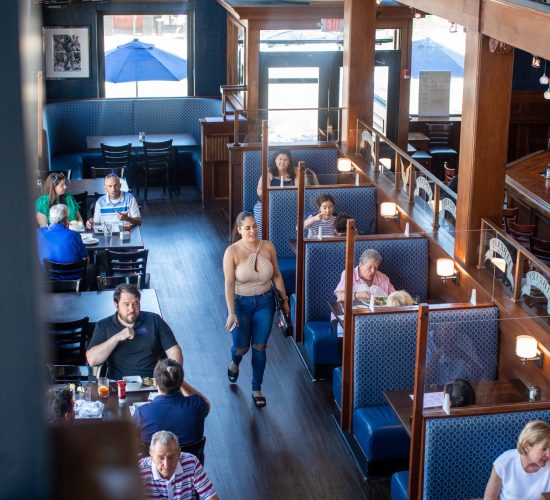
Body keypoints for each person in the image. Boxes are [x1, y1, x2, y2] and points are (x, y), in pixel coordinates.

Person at [223, 211, 289, 408]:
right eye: (248, 227)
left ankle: (256, 388)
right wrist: (231, 312)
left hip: (265, 302)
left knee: (260, 346)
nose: (253, 230)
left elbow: (276, 275)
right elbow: (229, 283)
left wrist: (284, 300)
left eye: (255, 226)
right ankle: (235, 363)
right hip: (241, 304)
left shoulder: (268, 246)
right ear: (239, 230)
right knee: (241, 347)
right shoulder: (232, 252)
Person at [86, 284, 183, 380]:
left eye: (135, 303)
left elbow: (173, 350)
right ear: (116, 305)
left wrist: (173, 372)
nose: (132, 309)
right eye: (126, 304)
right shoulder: (104, 325)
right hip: (119, 384)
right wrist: (117, 338)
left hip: (152, 382)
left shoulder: (154, 320)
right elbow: (92, 360)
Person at [133, 358, 210, 448]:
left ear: (156, 382)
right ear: (180, 381)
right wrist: (179, 380)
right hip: (191, 461)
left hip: (155, 462)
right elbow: (206, 403)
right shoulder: (197, 405)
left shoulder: (142, 413)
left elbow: (129, 438)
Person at [139, 431, 218, 500]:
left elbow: (210, 495)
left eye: (171, 457)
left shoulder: (191, 462)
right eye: (160, 458)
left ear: (179, 453)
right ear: (151, 456)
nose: (166, 465)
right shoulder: (140, 470)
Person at [484, 420, 550, 500]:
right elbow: (490, 497)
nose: (549, 454)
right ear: (526, 446)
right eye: (544, 449)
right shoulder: (504, 463)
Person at [36, 204, 96, 287]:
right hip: (75, 282)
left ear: (50, 219)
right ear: (66, 220)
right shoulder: (74, 235)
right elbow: (87, 261)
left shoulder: (39, 233)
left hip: (49, 282)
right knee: (93, 267)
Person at [254, 149, 296, 239]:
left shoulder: (295, 172)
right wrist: (277, 194)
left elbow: (300, 190)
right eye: (280, 159)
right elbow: (260, 191)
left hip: (289, 205)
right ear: (275, 160)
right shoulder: (269, 172)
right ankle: (262, 244)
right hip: (266, 205)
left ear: (289, 162)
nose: (282, 162)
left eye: (285, 160)